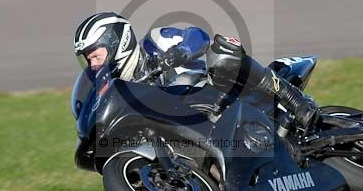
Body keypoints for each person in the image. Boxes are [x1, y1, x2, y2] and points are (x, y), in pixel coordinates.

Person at [73, 11, 318, 130]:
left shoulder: (154, 42)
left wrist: (179, 53)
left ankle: (293, 98)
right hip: (201, 126)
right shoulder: (123, 94)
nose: (94, 64)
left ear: (117, 42)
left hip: (222, 91)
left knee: (222, 52)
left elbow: (198, 36)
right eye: (89, 60)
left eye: (95, 55)